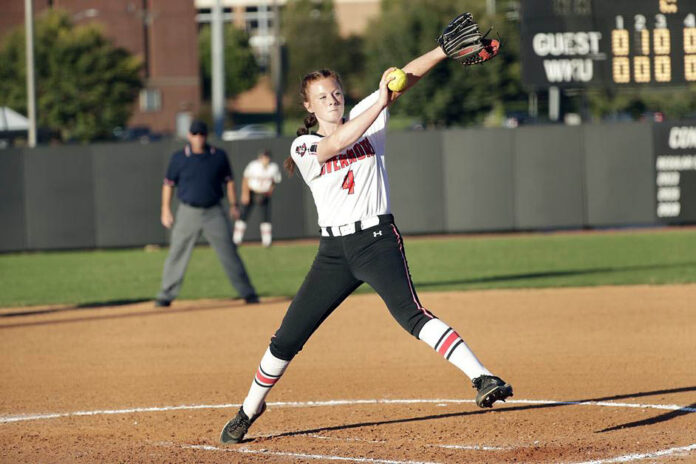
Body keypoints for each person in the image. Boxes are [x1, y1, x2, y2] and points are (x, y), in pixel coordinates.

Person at [220, 41, 511, 444]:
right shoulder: (302, 146)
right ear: (309, 107)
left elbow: (405, 76)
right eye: (322, 97)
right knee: (288, 337)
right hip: (333, 254)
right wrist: (382, 102)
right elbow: (335, 144)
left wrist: (442, 51)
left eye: (337, 93)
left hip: (376, 241)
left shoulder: (366, 116)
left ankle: (482, 376)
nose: (332, 100)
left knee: (412, 315)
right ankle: (249, 409)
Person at [155, 120, 259, 306]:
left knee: (229, 252)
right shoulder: (179, 158)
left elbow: (229, 181)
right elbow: (168, 184)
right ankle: (166, 295)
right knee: (177, 253)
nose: (198, 137)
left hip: (214, 212)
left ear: (206, 136)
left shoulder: (218, 156)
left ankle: (248, 292)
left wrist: (233, 204)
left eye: (201, 134)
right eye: (194, 134)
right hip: (188, 211)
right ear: (189, 136)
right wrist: (165, 209)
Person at [233, 149, 282, 247]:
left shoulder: (273, 168)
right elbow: (246, 179)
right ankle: (236, 239)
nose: (265, 159)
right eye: (263, 157)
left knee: (265, 217)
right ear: (260, 158)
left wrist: (269, 192)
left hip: (264, 194)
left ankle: (267, 241)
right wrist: (245, 194)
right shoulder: (254, 165)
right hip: (252, 192)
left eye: (267, 157)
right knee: (244, 215)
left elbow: (275, 181)